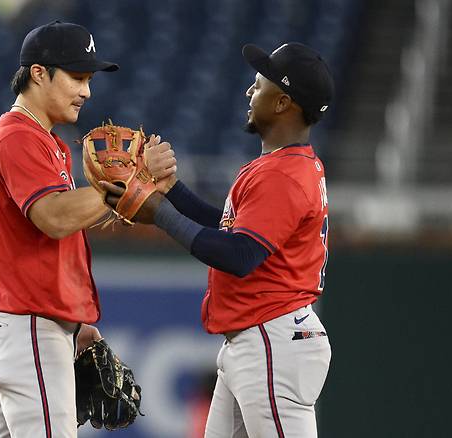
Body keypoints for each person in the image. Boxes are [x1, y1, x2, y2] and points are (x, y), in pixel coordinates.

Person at [101, 42, 334, 437]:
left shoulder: (283, 174)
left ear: (283, 103)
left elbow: (239, 255)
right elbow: (232, 231)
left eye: (259, 85)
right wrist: (172, 192)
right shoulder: (288, 165)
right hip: (261, 339)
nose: (249, 91)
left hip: (272, 341)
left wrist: (158, 212)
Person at [0, 20, 137, 438]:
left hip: (34, 324)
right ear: (39, 73)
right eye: (78, 77)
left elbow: (61, 230)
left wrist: (79, 321)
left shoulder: (45, 140)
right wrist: (125, 186)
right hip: (30, 327)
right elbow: (53, 217)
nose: (87, 90)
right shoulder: (17, 136)